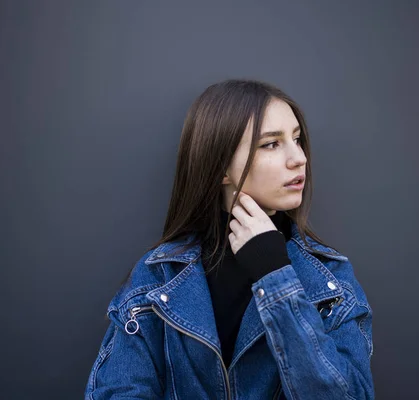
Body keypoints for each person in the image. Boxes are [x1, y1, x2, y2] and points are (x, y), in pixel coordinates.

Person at [85, 79, 375, 399]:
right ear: (221, 166)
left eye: (297, 139)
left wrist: (275, 277)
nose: (299, 158)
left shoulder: (330, 279)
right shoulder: (157, 279)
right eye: (271, 144)